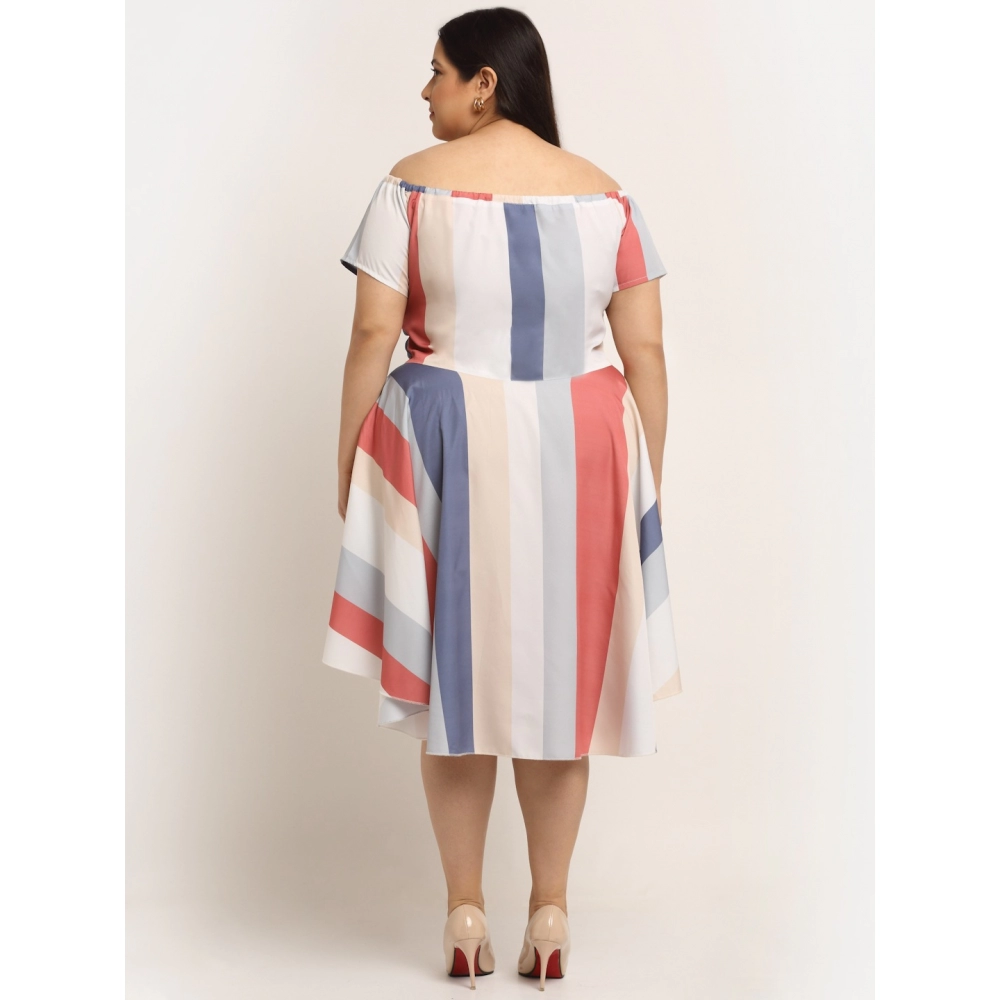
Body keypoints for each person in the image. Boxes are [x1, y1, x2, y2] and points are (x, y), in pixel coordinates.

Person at [322, 7, 682, 989]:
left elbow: (372, 334)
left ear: (485, 83)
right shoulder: (607, 196)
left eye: (438, 71)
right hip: (586, 444)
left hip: (447, 438)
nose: (425, 89)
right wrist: (642, 476)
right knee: (562, 693)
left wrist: (349, 459)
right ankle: (551, 910)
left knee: (456, 684)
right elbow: (646, 352)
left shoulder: (409, 187)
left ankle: (466, 912)